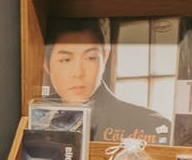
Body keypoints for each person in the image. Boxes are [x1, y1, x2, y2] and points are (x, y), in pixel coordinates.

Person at [43, 17, 171, 143]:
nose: (78, 73)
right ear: (46, 64)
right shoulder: (37, 117)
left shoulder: (150, 125)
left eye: (90, 58)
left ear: (105, 58)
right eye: (65, 60)